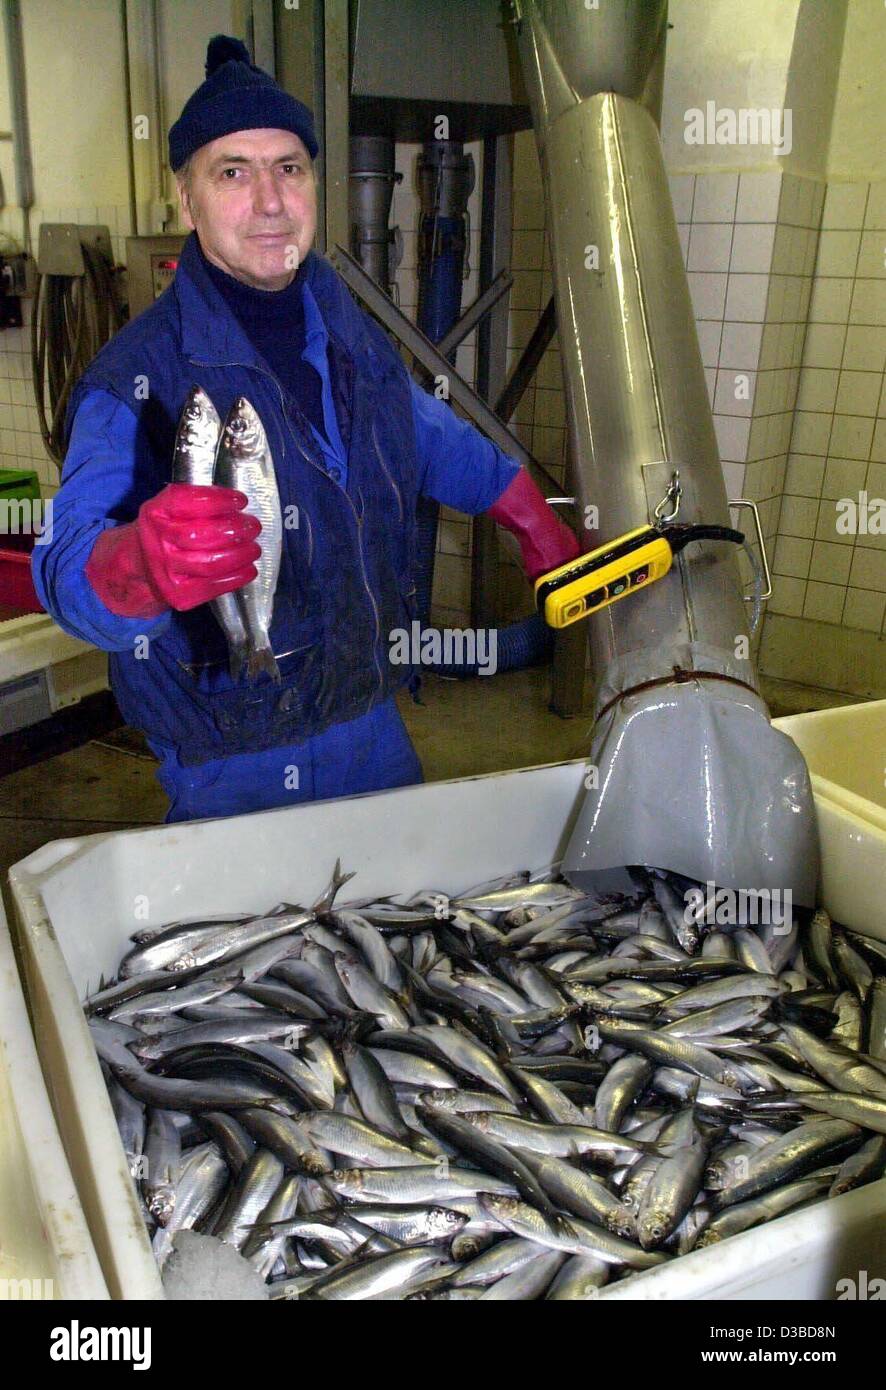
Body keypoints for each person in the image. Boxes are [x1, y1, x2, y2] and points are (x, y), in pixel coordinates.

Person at [33, 35, 579, 823]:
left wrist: (527, 513)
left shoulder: (342, 323)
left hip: (371, 717)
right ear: (186, 202)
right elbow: (69, 573)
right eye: (232, 172)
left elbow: (419, 429)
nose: (269, 199)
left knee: (393, 930)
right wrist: (137, 567)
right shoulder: (137, 381)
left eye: (289, 168)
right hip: (232, 749)